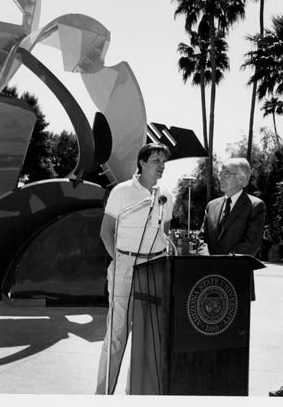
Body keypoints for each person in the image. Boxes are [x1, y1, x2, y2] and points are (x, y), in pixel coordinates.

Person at [95, 143, 207, 395]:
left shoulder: (166, 195)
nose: (162, 166)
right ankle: (102, 394)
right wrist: (121, 260)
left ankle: (136, 394)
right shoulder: (121, 191)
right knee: (116, 334)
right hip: (125, 265)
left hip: (154, 269)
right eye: (156, 160)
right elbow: (105, 232)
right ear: (142, 162)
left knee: (148, 337)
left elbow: (163, 235)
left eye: (163, 162)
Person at [198, 157, 266, 256]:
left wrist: (226, 262)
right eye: (220, 174)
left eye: (226, 174)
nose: (220, 178)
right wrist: (207, 258)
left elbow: (252, 243)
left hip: (236, 269)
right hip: (210, 269)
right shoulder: (211, 206)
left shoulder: (255, 206)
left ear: (242, 179)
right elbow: (202, 239)